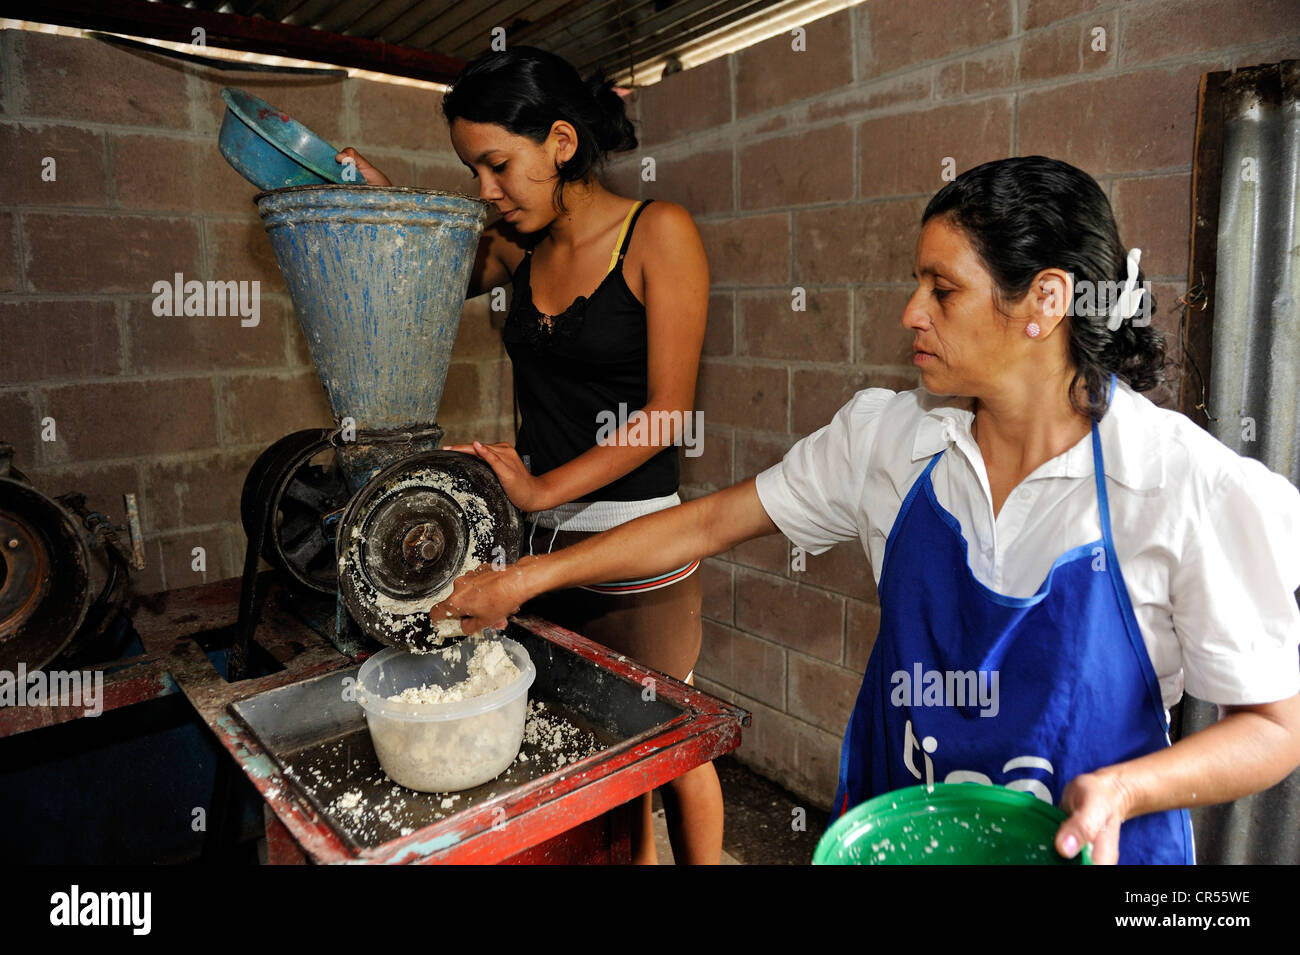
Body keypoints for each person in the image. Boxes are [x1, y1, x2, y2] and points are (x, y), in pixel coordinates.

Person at [432, 156, 1300, 864]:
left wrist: (1127, 789)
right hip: (898, 836)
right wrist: (523, 578)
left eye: (942, 289)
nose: (909, 313)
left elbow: (1274, 728)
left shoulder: (1183, 486)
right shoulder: (892, 441)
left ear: (1045, 300)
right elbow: (706, 522)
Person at [338, 46, 720, 865]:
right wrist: (379, 199)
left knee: (670, 747)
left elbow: (666, 415)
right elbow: (423, 262)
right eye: (474, 170)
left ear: (561, 141)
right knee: (599, 757)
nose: (487, 191)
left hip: (638, 550)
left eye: (497, 164)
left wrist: (544, 487)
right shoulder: (519, 249)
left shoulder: (660, 234)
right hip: (539, 548)